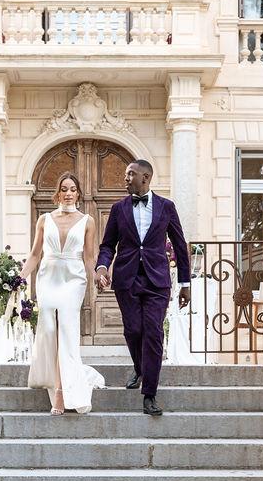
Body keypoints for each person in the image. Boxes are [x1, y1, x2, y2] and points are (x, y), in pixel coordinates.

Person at [95, 160, 190, 416]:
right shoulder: (118, 209)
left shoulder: (166, 207)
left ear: (145, 177)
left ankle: (149, 394)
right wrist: (102, 268)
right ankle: (139, 367)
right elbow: (107, 246)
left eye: (130, 174)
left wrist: (185, 283)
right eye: (126, 174)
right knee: (134, 330)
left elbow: (180, 246)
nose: (125, 178)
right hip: (127, 280)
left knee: (154, 333)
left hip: (157, 280)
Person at [21, 172, 105, 414]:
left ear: (78, 193)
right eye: (64, 188)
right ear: (57, 192)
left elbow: (89, 257)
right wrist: (20, 278)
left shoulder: (88, 220)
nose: (68, 193)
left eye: (73, 189)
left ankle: (60, 392)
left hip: (73, 280)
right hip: (48, 278)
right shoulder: (44, 220)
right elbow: (35, 254)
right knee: (49, 329)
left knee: (66, 331)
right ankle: (55, 378)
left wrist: (97, 276)